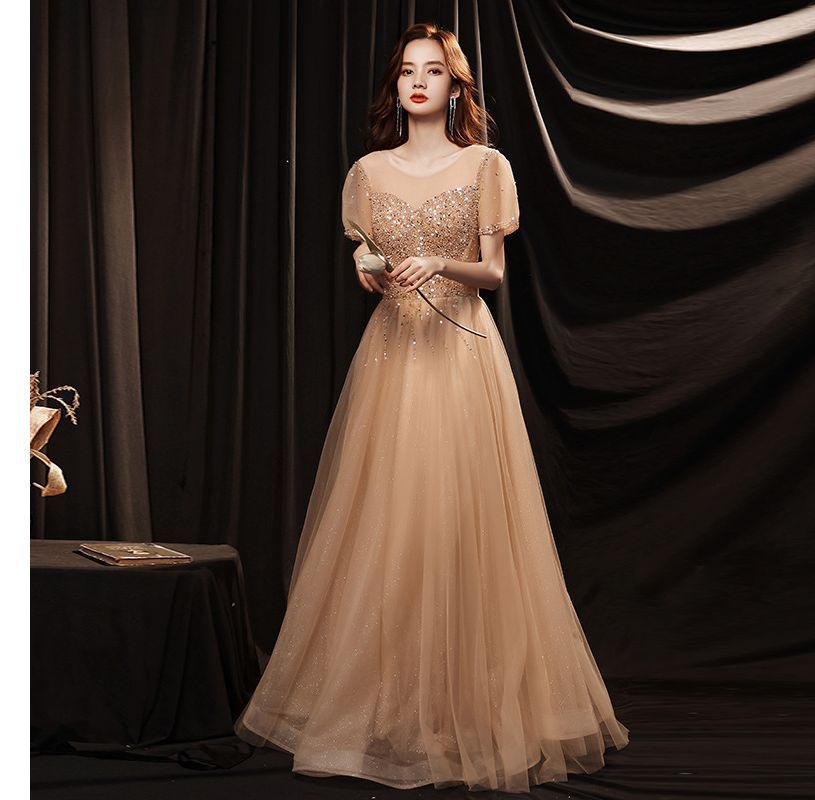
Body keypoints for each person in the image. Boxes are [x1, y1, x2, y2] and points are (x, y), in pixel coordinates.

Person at [234, 22, 630, 793]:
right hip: (391, 359)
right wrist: (367, 260)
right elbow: (364, 250)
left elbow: (493, 272)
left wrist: (439, 261)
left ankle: (471, 710)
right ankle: (392, 708)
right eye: (408, 71)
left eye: (434, 71)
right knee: (389, 522)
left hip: (460, 357)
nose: (418, 81)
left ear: (455, 88)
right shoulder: (366, 173)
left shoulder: (486, 165)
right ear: (396, 85)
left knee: (464, 523)